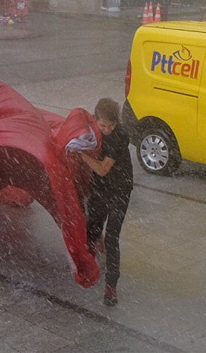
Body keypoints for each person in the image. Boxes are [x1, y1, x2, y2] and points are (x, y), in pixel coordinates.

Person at [76, 98, 133, 306]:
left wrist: (82, 156)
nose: (107, 129)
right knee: (92, 228)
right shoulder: (92, 129)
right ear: (95, 121)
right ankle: (89, 262)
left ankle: (111, 286)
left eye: (111, 125)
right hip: (100, 189)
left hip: (120, 190)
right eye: (102, 126)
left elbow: (102, 169)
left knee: (112, 237)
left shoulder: (120, 136)